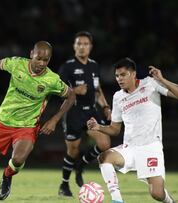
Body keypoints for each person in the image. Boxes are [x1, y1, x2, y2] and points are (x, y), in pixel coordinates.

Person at [0, 41, 76, 203]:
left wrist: (54, 119)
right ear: (31, 54)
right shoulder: (17, 64)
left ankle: (7, 177)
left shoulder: (52, 79)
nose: (41, 64)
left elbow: (71, 95)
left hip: (27, 126)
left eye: (46, 60)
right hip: (3, 122)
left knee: (18, 159)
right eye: (39, 59)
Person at [87, 57, 178, 203]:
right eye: (116, 76)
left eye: (123, 75)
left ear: (133, 74)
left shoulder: (150, 83)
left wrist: (162, 79)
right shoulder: (118, 97)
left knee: (157, 194)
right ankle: (117, 200)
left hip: (151, 147)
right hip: (130, 148)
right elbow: (115, 129)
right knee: (104, 157)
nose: (119, 79)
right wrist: (99, 128)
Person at [58, 31, 111, 196]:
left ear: (90, 47)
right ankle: (64, 186)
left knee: (104, 144)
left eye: (85, 44)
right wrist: (74, 90)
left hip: (91, 112)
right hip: (72, 112)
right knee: (72, 151)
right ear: (74, 46)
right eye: (79, 44)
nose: (82, 47)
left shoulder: (94, 65)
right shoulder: (67, 67)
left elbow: (97, 89)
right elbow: (57, 90)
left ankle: (81, 164)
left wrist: (105, 107)